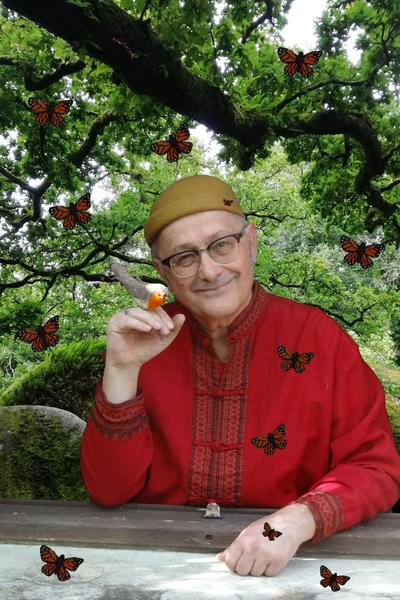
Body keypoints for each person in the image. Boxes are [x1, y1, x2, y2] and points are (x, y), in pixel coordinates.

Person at [81, 174, 400, 577]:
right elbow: (108, 491)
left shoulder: (319, 338)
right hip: (156, 563)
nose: (209, 271)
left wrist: (299, 519)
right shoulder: (144, 342)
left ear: (250, 241)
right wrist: (122, 372)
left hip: (291, 564)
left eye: (222, 245)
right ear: (163, 271)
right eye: (184, 257)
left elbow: (377, 468)